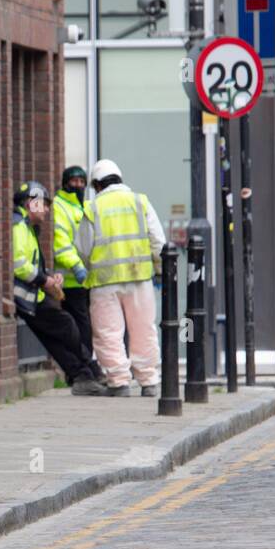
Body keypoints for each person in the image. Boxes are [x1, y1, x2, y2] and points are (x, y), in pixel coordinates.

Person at [11, 181, 108, 396]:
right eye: (43, 204)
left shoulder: (25, 225)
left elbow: (30, 262)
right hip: (26, 296)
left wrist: (48, 277)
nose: (46, 210)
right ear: (30, 203)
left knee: (54, 337)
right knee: (66, 325)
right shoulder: (19, 226)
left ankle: (81, 375)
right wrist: (43, 280)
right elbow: (18, 264)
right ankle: (88, 368)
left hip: (29, 295)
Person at [82, 158, 166, 397]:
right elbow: (158, 241)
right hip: (139, 278)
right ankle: (149, 380)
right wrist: (159, 270)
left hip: (104, 281)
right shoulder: (140, 202)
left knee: (108, 332)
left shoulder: (92, 207)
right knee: (143, 329)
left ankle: (118, 382)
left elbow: (84, 248)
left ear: (97, 184)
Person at [51, 165, 105, 384]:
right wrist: (76, 266)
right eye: (74, 181)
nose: (79, 186)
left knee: (84, 327)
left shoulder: (84, 206)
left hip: (85, 281)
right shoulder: (60, 206)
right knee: (77, 327)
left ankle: (83, 369)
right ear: (65, 183)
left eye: (82, 182)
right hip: (70, 281)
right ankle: (81, 370)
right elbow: (61, 243)